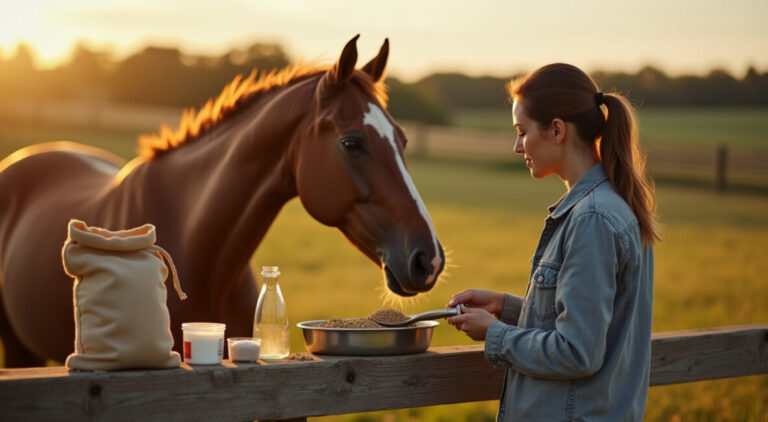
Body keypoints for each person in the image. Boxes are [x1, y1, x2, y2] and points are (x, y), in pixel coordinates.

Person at [446, 63, 659, 421]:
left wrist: (495, 334)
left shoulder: (592, 218)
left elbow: (577, 351)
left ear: (557, 130)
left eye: (521, 131)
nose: (517, 146)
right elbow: (591, 325)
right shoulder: (612, 205)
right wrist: (508, 307)